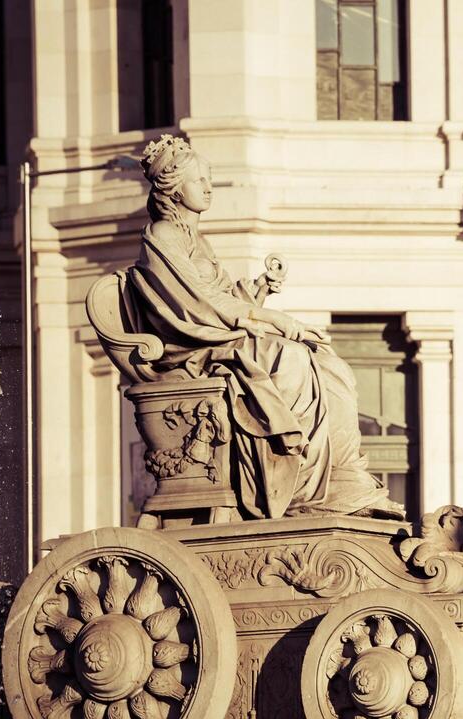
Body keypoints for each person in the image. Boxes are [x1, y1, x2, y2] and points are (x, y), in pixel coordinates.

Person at [126, 133, 403, 520]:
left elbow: (223, 297)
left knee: (331, 367)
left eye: (210, 179)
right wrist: (277, 320)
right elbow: (198, 305)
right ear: (172, 187)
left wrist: (258, 289)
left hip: (225, 335)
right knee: (290, 358)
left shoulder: (198, 241)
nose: (209, 188)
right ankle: (299, 488)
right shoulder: (163, 236)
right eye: (199, 180)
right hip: (197, 347)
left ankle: (343, 476)